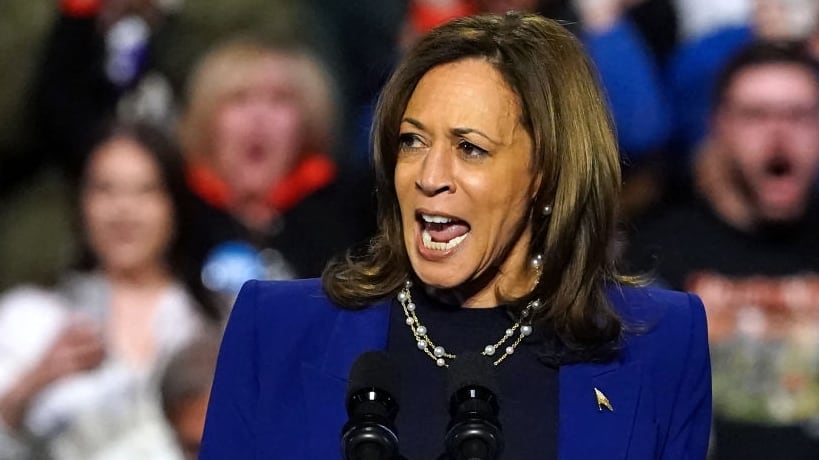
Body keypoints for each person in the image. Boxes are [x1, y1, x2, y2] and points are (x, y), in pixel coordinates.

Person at [200, 12, 711, 459]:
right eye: (412, 141)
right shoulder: (277, 329)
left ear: (549, 174)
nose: (428, 175)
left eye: (470, 148)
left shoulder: (661, 342)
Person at [626, 40, 819, 459]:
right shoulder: (656, 254)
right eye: (756, 115)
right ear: (719, 126)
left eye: (801, 115)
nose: (779, 135)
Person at [0, 121, 222, 459]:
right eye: (105, 189)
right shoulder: (28, 317)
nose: (123, 210)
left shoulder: (214, 321)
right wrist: (36, 380)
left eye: (145, 190)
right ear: (81, 203)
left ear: (175, 205)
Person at [178, 38, 376, 298]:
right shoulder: (177, 213)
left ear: (307, 120)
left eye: (280, 100)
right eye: (239, 99)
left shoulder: (352, 215)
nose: (259, 117)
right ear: (206, 119)